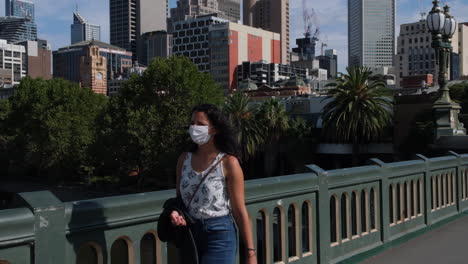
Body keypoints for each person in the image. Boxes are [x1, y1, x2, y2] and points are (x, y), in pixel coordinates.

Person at [170, 104, 257, 264]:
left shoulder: (228, 163)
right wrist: (176, 213)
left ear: (214, 129)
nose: (194, 128)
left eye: (200, 124)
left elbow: (239, 210)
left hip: (219, 234)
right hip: (189, 233)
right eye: (192, 123)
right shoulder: (184, 160)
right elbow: (179, 200)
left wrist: (251, 252)